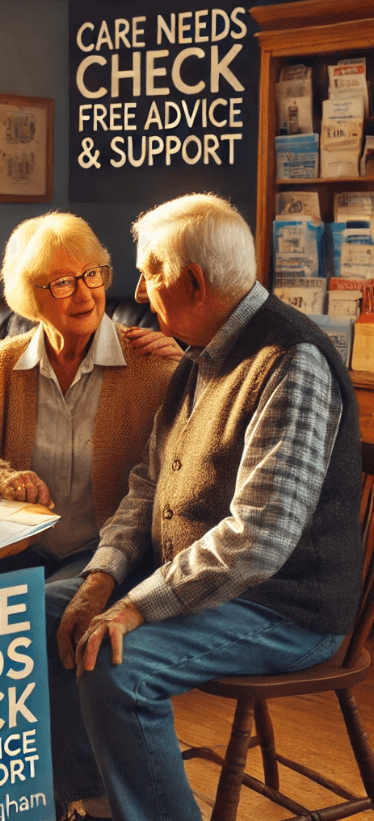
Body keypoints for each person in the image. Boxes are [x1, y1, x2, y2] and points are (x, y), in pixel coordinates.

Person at [48, 193, 362, 821]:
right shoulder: (200, 353)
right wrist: (102, 578)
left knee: (117, 669)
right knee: (36, 610)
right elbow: (148, 484)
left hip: (286, 607)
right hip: (205, 584)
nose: (136, 288)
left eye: (148, 271)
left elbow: (259, 540)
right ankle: (98, 801)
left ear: (192, 281)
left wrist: (133, 607)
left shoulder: (290, 360)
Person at [0, 212, 179, 585]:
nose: (85, 293)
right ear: (30, 296)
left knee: (23, 614)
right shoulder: (6, 363)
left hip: (101, 558)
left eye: (92, 274)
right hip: (14, 549)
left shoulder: (151, 366)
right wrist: (0, 477)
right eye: (62, 283)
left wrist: (192, 368)